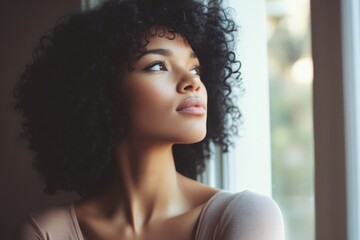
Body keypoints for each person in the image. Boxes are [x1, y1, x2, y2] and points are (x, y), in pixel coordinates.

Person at [14, 0, 284, 239]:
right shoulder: (47, 232)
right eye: (157, 66)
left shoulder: (247, 217)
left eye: (196, 68)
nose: (193, 82)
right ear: (100, 88)